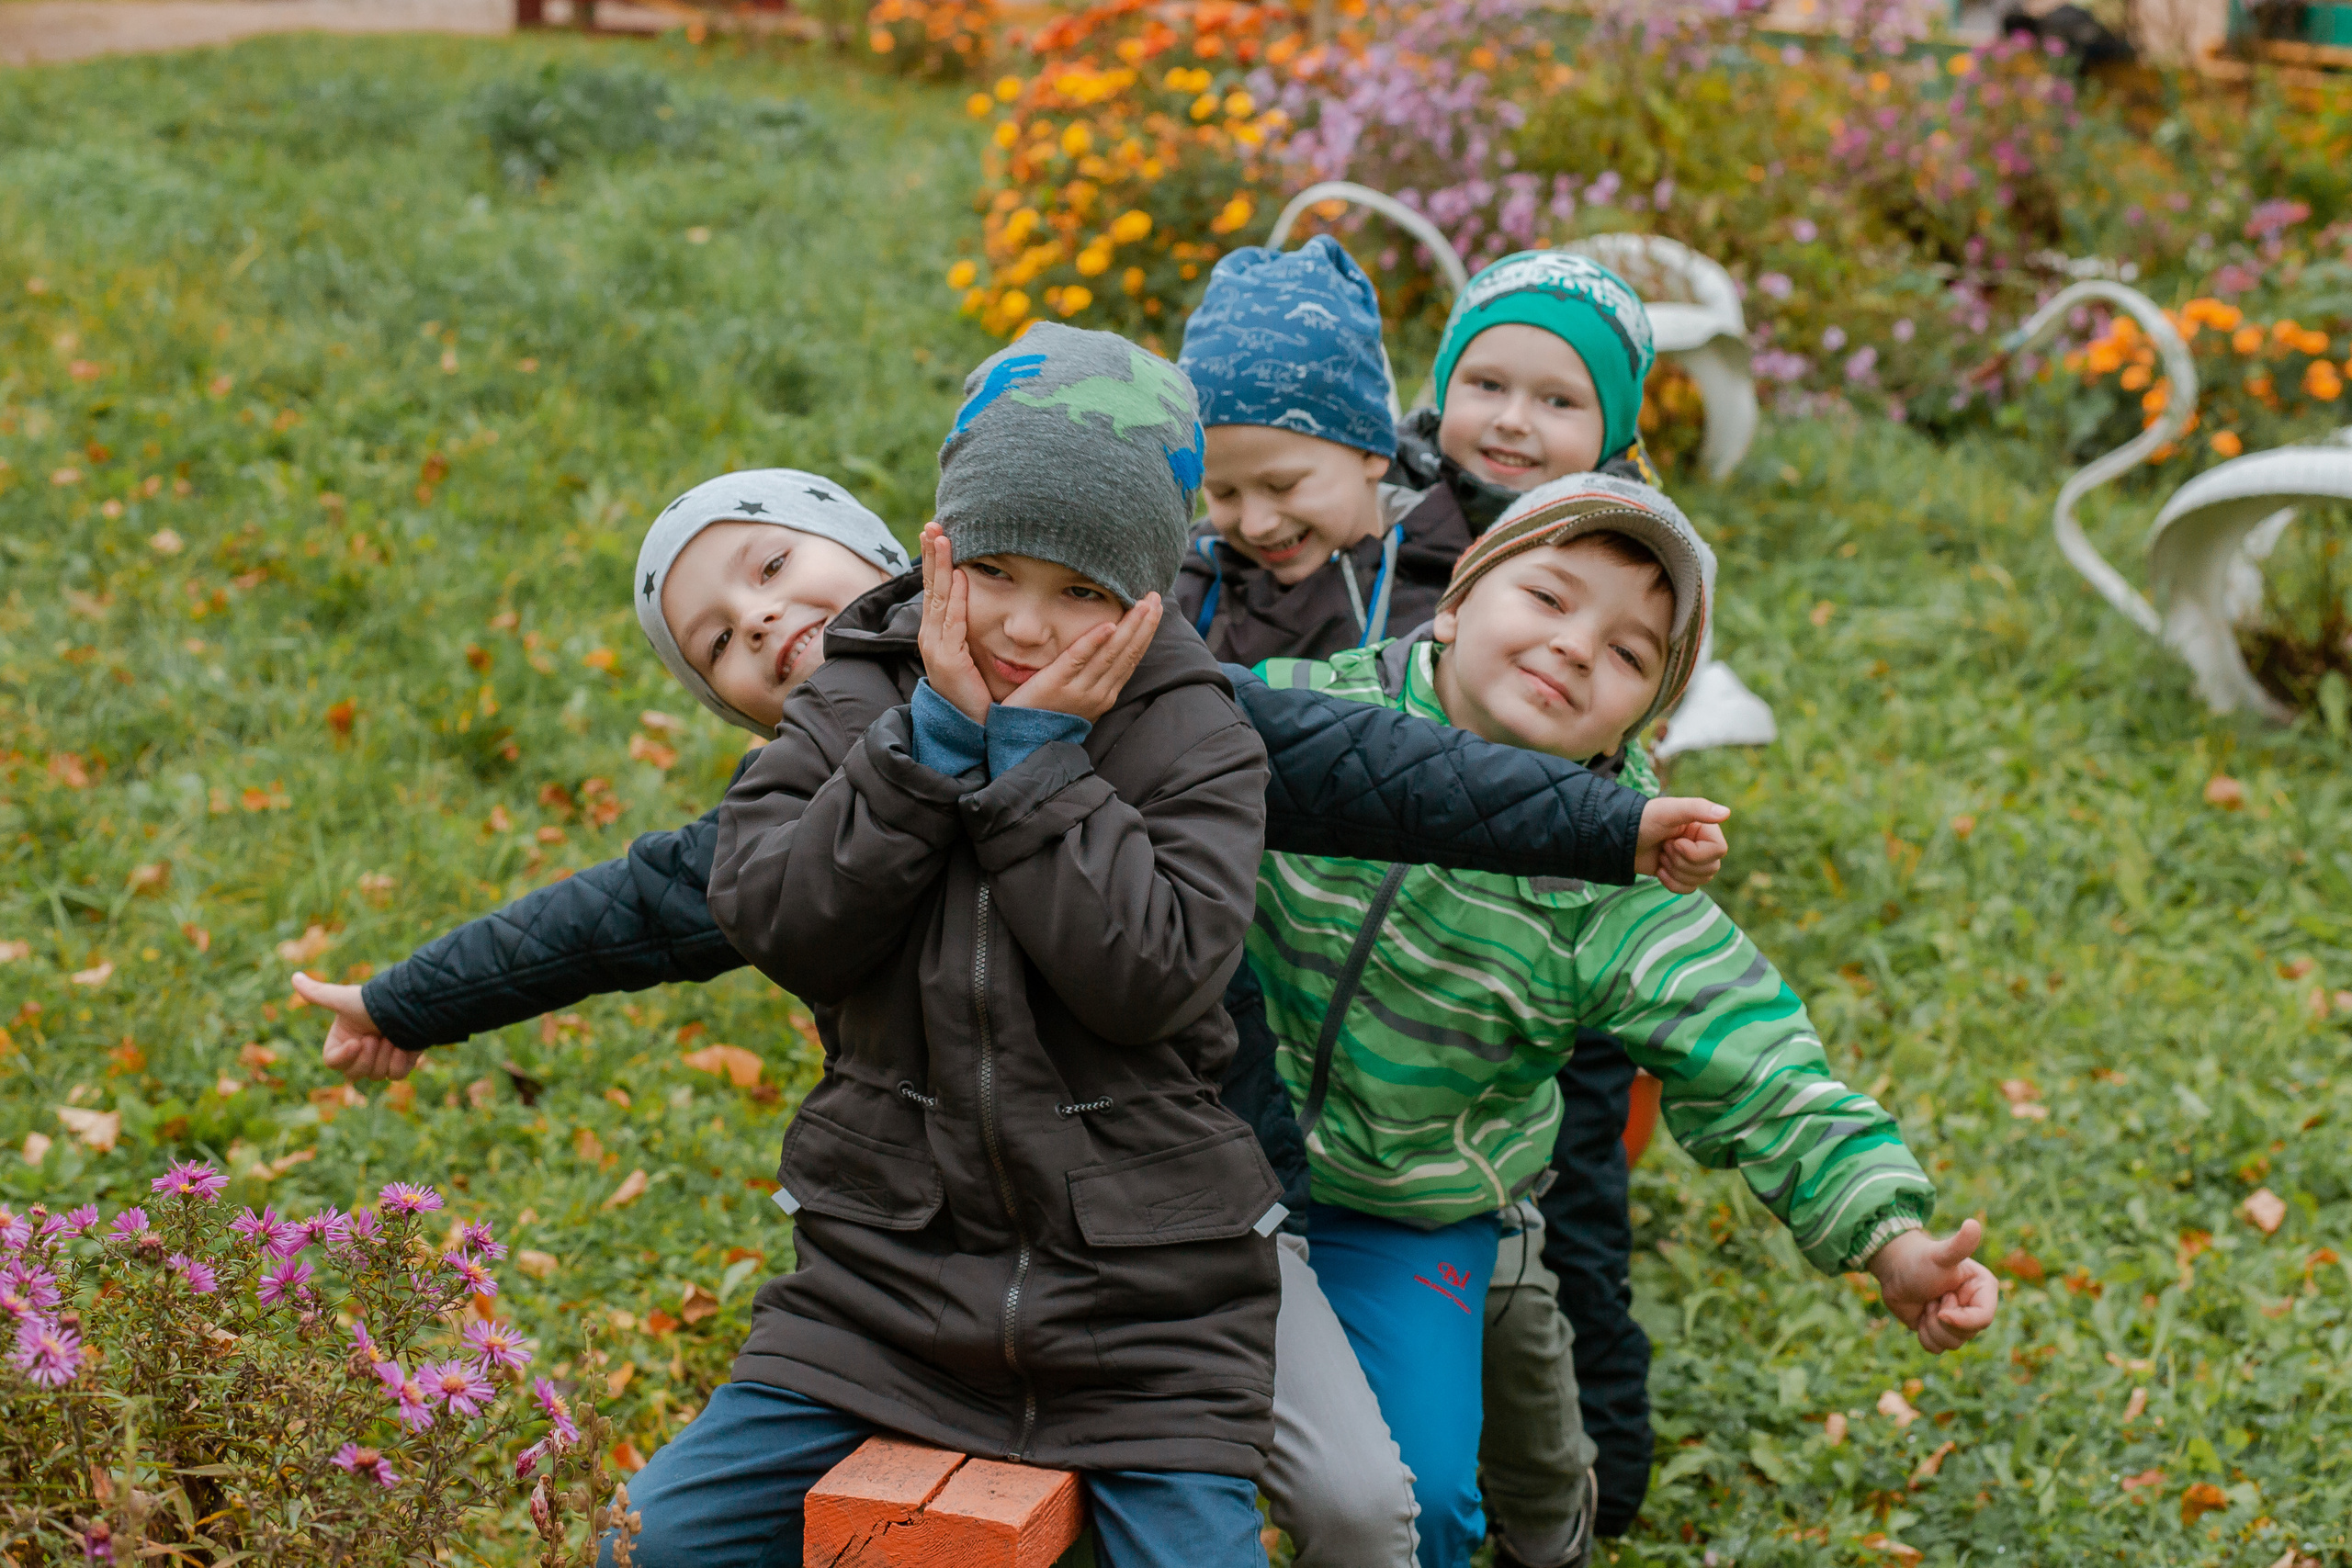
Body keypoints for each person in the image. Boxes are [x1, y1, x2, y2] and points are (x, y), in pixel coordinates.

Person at [295, 343, 1728, 1568]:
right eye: (724, 634)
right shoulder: (830, 747)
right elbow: (616, 914)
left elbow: (1399, 773)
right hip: (908, 1268)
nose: (772, 621)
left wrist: (1613, 821)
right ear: (942, 560)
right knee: (665, 1532)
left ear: (881, 541)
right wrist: (407, 998)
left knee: (1359, 1500)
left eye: (781, 567)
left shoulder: (1186, 716)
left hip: (1169, 1250)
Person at [1248, 474, 2002, 1568]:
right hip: (1218, 1165)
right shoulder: (1300, 709)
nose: (1573, 648)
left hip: (1407, 1211)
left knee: (1420, 1508)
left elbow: (1753, 1053)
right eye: (1549, 599)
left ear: (1645, 714)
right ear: (1454, 599)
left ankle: (1545, 1512)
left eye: (1628, 653)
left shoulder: (1618, 880)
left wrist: (1889, 1236)